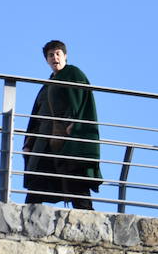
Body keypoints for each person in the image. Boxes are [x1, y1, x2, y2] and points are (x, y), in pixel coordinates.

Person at [23, 40, 103, 209]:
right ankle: (25, 220)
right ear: (46, 60)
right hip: (45, 142)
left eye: (58, 53)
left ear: (65, 56)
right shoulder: (47, 85)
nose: (54, 58)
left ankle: (88, 220)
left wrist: (73, 125)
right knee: (37, 182)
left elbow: (81, 101)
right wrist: (29, 142)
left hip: (67, 141)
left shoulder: (73, 74)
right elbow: (37, 115)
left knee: (76, 183)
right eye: (50, 55)